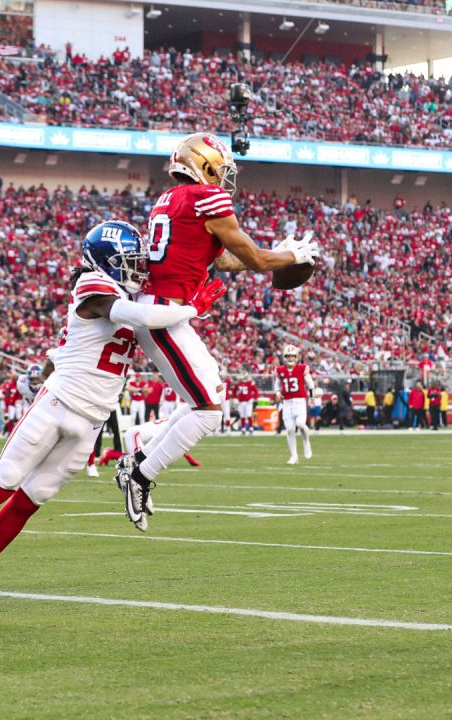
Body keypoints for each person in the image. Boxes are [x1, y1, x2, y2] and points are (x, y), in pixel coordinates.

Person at [0, 220, 225, 620]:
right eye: (128, 261)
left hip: (91, 423)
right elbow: (132, 314)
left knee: (27, 503)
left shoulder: (134, 295)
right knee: (0, 486)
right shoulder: (93, 285)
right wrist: (193, 307)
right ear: (106, 261)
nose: (136, 267)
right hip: (56, 405)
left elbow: (148, 317)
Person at [114, 133, 318, 531]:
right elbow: (257, 259)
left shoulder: (171, 199)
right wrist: (291, 255)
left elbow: (221, 259)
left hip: (163, 310)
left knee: (210, 397)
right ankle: (140, 473)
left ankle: (138, 454)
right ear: (204, 165)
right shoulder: (209, 199)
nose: (225, 177)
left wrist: (275, 253)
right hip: (164, 314)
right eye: (220, 168)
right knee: (207, 412)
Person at [274, 345, 314, 463]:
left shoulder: (302, 368)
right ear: (284, 357)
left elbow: (311, 385)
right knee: (290, 429)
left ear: (296, 357)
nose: (291, 358)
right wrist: (277, 392)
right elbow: (277, 385)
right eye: (288, 356)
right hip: (287, 402)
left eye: (293, 356)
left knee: (300, 424)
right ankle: (294, 456)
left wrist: (311, 398)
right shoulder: (280, 370)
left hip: (300, 401)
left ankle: (306, 442)